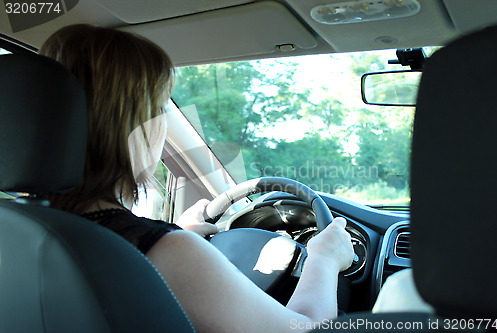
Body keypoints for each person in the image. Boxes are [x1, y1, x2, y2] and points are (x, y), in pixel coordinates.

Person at [41, 24, 354, 333]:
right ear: (135, 127)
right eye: (159, 109)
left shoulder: (18, 225)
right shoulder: (169, 254)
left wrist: (175, 235)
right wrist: (323, 260)